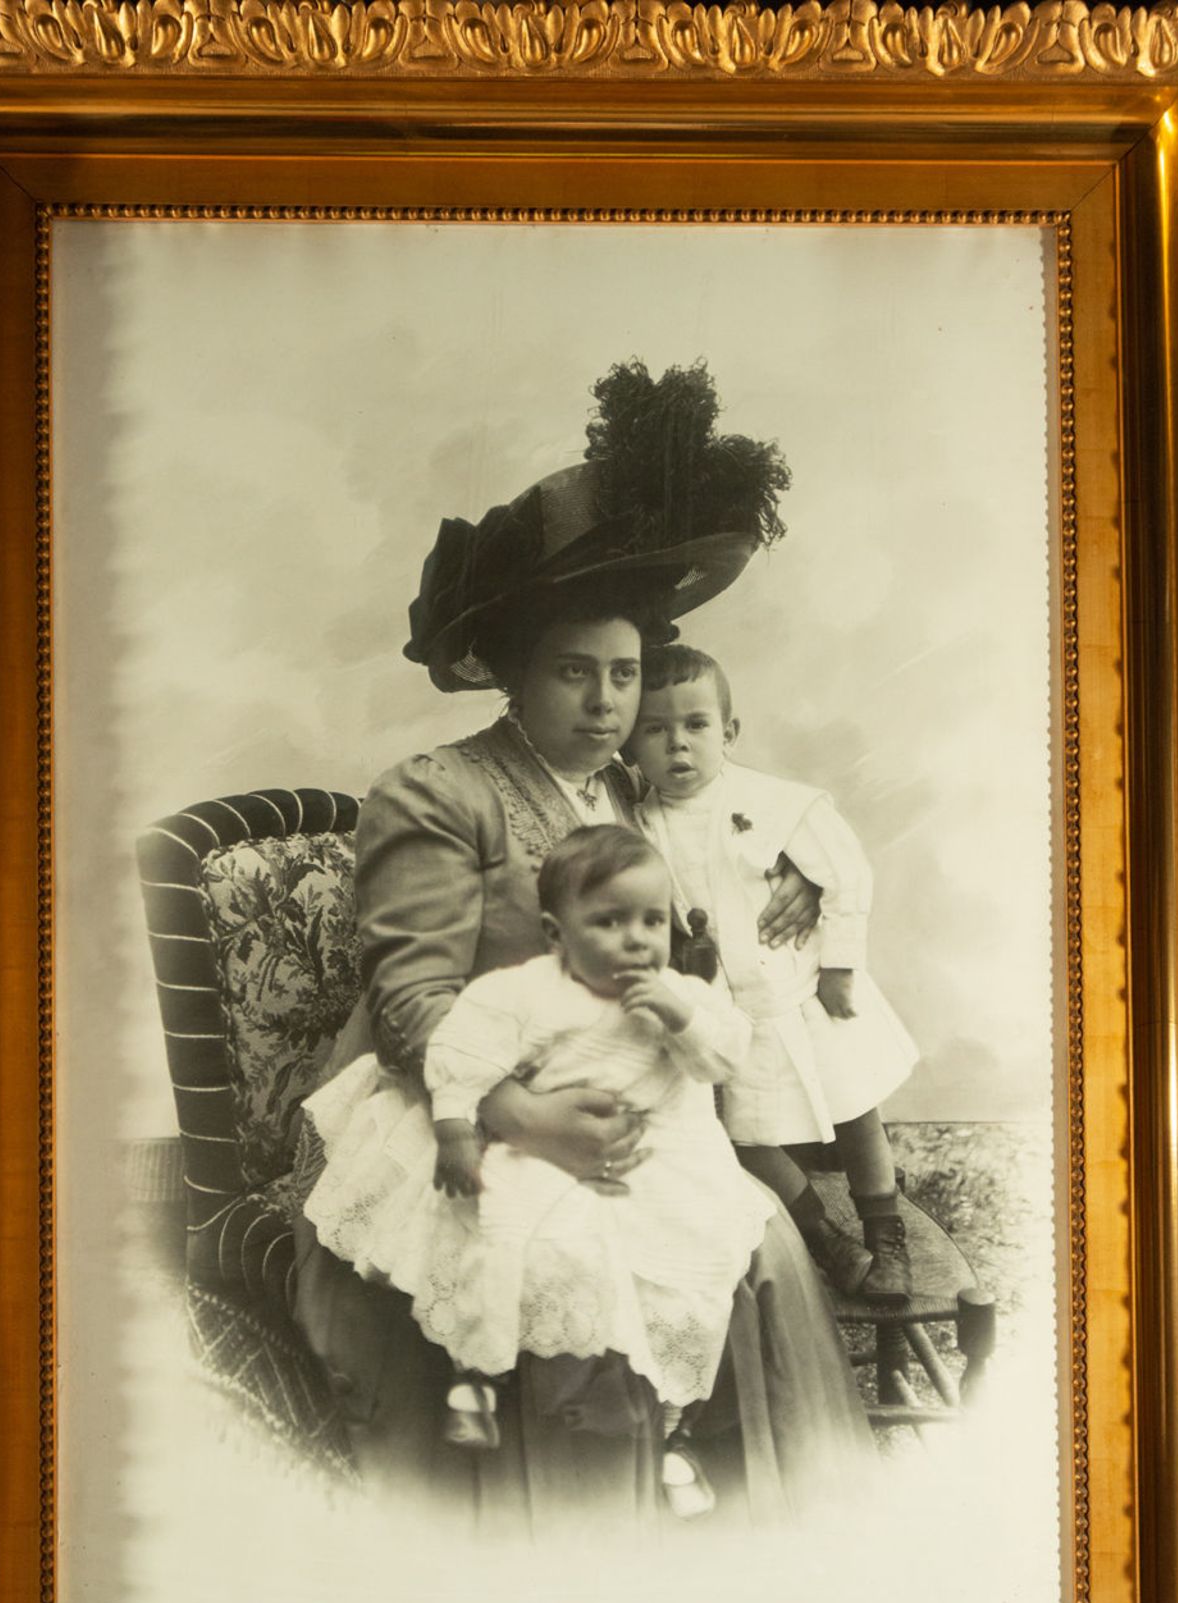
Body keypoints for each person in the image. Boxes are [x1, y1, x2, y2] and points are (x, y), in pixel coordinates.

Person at [287, 359, 875, 1530]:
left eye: (622, 676)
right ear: (510, 672)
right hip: (453, 1097)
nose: (606, 703)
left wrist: (794, 894)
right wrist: (525, 1119)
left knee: (747, 1247)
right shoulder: (438, 790)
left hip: (611, 1084)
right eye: (573, 673)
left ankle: (722, 1529)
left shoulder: (624, 788)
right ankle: (565, 1548)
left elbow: (712, 861)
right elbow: (412, 1004)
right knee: (564, 1264)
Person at [301, 824, 775, 1519]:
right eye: (608, 922)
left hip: (667, 1160)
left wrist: (682, 1019)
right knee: (515, 1237)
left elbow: (725, 1059)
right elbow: (460, 1054)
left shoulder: (678, 992)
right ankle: (478, 1374)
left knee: (699, 1270)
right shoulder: (526, 992)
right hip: (547, 1149)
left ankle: (678, 1432)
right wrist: (456, 1128)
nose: (636, 939)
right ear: (557, 933)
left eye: (650, 920)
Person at [630, 645, 919, 1302]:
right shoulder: (639, 825)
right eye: (655, 729)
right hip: (727, 1012)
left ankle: (883, 1231)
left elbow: (845, 873)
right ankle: (823, 1239)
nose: (677, 744)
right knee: (743, 1133)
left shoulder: (774, 803)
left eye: (695, 725)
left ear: (728, 732)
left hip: (803, 990)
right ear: (630, 743)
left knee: (855, 1110)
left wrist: (840, 966)